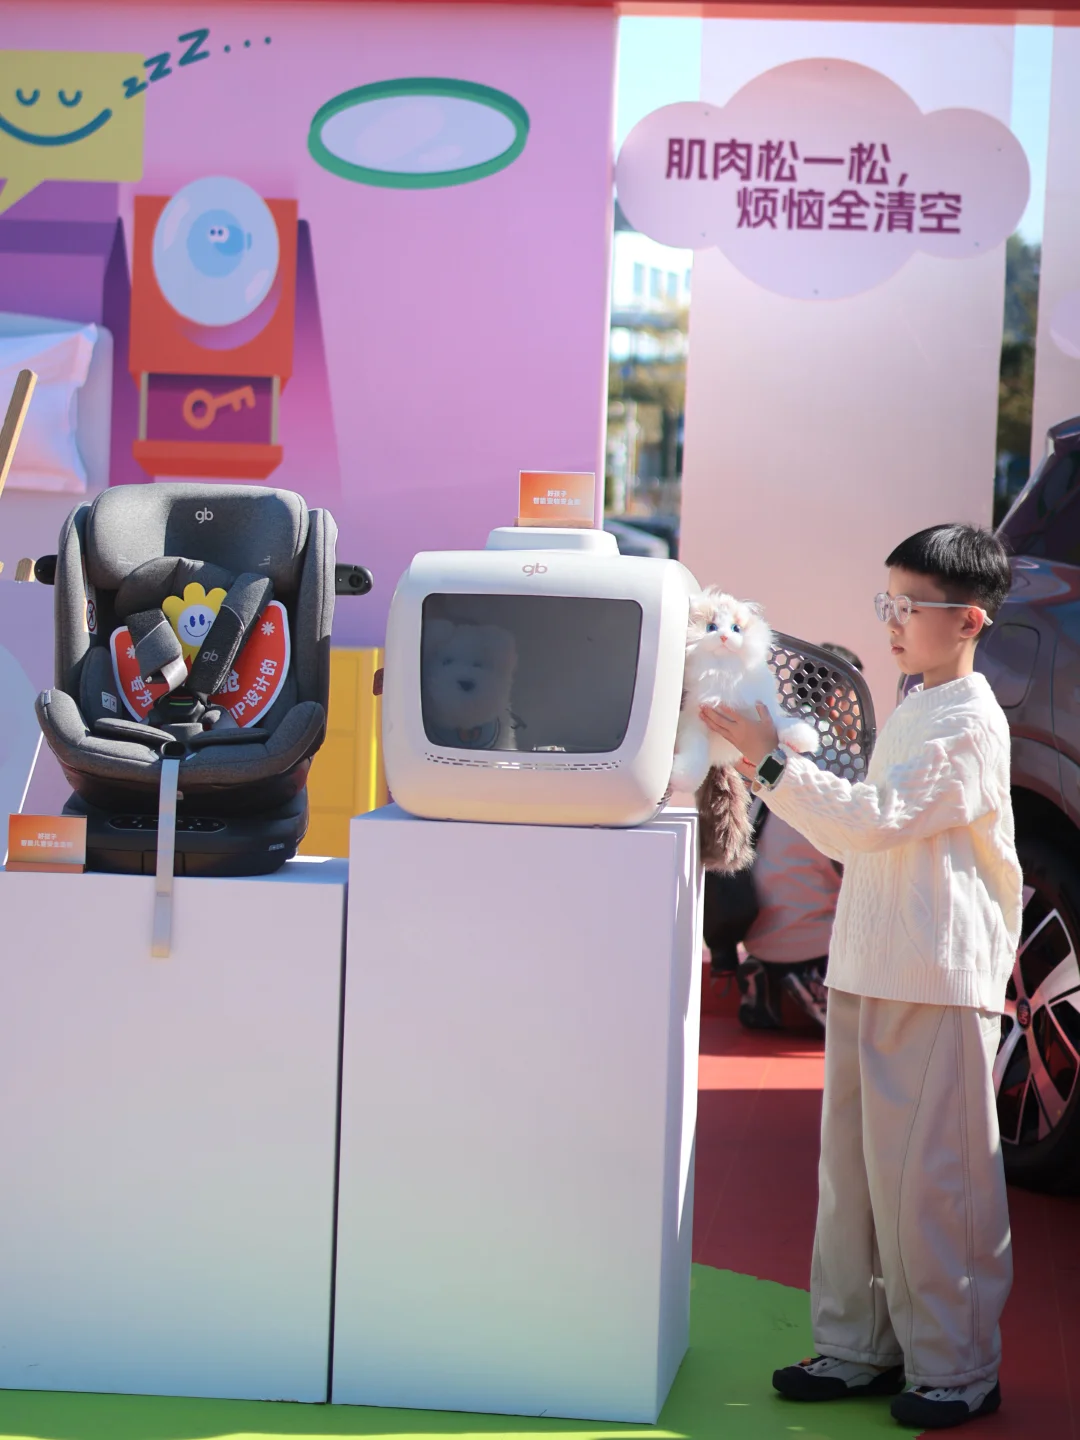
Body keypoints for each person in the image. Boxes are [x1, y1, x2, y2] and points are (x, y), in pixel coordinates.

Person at [701, 524, 1021, 1430]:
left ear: (969, 620)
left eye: (910, 606)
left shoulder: (969, 721)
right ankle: (858, 1347)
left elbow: (874, 821)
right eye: (889, 602)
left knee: (935, 1184)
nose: (893, 621)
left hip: (937, 973)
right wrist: (769, 758)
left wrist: (771, 760)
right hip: (871, 962)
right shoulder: (920, 704)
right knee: (854, 1175)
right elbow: (863, 831)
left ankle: (957, 1368)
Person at [734, 642, 864, 1033]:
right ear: (839, 697)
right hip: (819, 939)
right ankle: (809, 982)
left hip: (753, 927)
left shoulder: (767, 740)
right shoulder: (842, 758)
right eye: (858, 698)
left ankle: (767, 978)